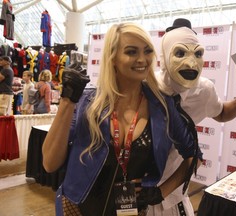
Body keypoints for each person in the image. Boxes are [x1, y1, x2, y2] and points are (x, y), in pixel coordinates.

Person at [42, 22, 201, 216]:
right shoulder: (87, 102)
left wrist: (161, 192)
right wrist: (67, 101)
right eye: (132, 52)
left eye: (148, 51)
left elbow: (194, 156)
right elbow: (50, 163)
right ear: (113, 57)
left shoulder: (163, 106)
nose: (142, 59)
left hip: (132, 211)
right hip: (76, 208)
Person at [151, 18, 236, 215]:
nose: (191, 62)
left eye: (198, 54)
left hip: (174, 188)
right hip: (140, 182)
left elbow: (221, 113)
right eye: (180, 53)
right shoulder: (147, 86)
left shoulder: (203, 90)